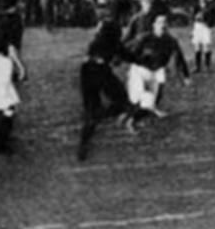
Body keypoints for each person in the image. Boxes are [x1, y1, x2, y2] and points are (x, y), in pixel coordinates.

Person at [77, 19, 138, 161]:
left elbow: (114, 55)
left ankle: (84, 142)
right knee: (122, 100)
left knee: (91, 110)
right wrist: (142, 59)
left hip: (86, 71)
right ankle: (102, 114)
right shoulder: (113, 42)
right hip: (101, 71)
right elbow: (128, 56)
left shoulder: (95, 42)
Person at [126, 13, 191, 118]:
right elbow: (130, 53)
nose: (163, 25)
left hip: (157, 70)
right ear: (154, 24)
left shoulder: (171, 41)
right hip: (140, 69)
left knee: (155, 95)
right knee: (138, 98)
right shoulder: (144, 38)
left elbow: (180, 57)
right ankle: (130, 115)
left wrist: (186, 75)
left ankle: (151, 109)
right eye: (160, 22)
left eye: (165, 22)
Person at [0, 0, 27, 156]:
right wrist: (20, 67)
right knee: (8, 106)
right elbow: (11, 47)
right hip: (3, 63)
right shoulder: (15, 22)